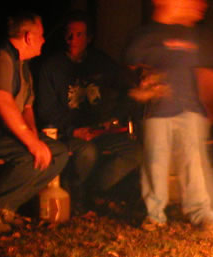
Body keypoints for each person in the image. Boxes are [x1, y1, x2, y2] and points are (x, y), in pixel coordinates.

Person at [124, 0, 213, 237]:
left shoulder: (195, 36)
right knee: (155, 164)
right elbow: (132, 68)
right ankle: (154, 215)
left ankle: (202, 215)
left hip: (191, 110)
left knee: (194, 165)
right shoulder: (145, 35)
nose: (188, 3)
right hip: (157, 111)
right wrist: (144, 82)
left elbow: (208, 72)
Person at [0, 12, 69, 233]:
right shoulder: (0, 57)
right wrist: (31, 144)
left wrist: (34, 137)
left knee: (58, 153)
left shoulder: (23, 65)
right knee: (29, 155)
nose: (44, 40)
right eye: (41, 35)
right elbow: (1, 100)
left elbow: (27, 107)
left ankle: (7, 207)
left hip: (4, 133)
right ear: (28, 37)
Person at [35, 12, 140, 212]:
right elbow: (46, 111)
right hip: (68, 132)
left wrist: (114, 117)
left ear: (89, 38)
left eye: (79, 34)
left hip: (98, 129)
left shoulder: (100, 62)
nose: (72, 39)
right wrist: (72, 131)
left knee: (134, 152)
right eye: (69, 34)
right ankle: (76, 197)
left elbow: (127, 89)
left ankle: (96, 191)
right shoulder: (51, 67)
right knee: (87, 152)